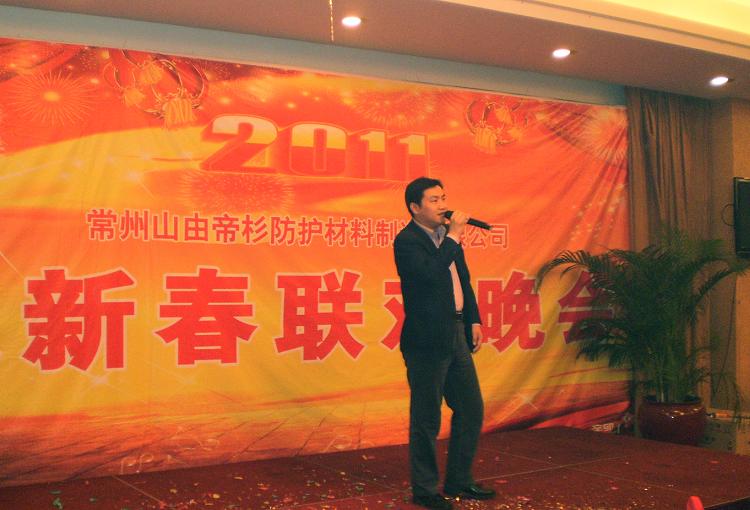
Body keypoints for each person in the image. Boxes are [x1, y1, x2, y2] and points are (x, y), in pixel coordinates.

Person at [393, 177, 495, 510]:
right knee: (427, 417)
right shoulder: (407, 241)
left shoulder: (447, 239)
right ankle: (425, 490)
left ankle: (459, 480)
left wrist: (473, 320)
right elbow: (431, 274)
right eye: (434, 200)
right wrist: (454, 235)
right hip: (426, 339)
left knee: (470, 408)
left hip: (456, 332)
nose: (443, 206)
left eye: (444, 198)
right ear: (415, 207)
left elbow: (462, 280)